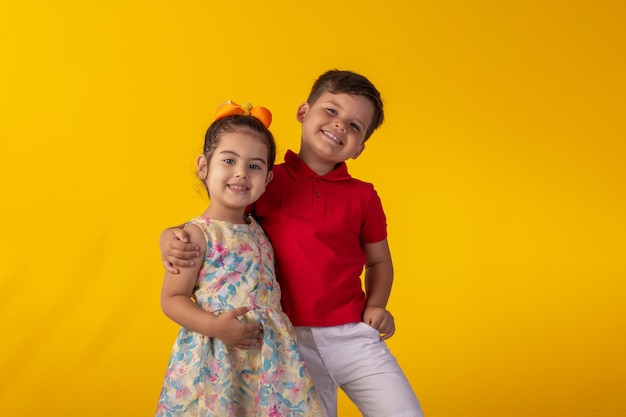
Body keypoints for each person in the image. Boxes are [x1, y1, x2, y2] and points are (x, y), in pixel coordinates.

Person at [161, 71, 423, 417]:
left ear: (360, 148)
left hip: (352, 333)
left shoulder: (363, 196)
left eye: (354, 125)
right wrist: (168, 236)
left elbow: (379, 261)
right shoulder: (265, 180)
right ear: (303, 111)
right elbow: (218, 224)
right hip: (288, 341)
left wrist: (377, 305)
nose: (339, 125)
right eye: (331, 111)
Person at [155, 101, 322, 417]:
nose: (241, 173)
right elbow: (172, 298)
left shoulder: (259, 226)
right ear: (204, 167)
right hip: (219, 356)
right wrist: (216, 326)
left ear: (268, 180)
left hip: (269, 357)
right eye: (229, 160)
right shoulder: (193, 235)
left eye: (255, 166)